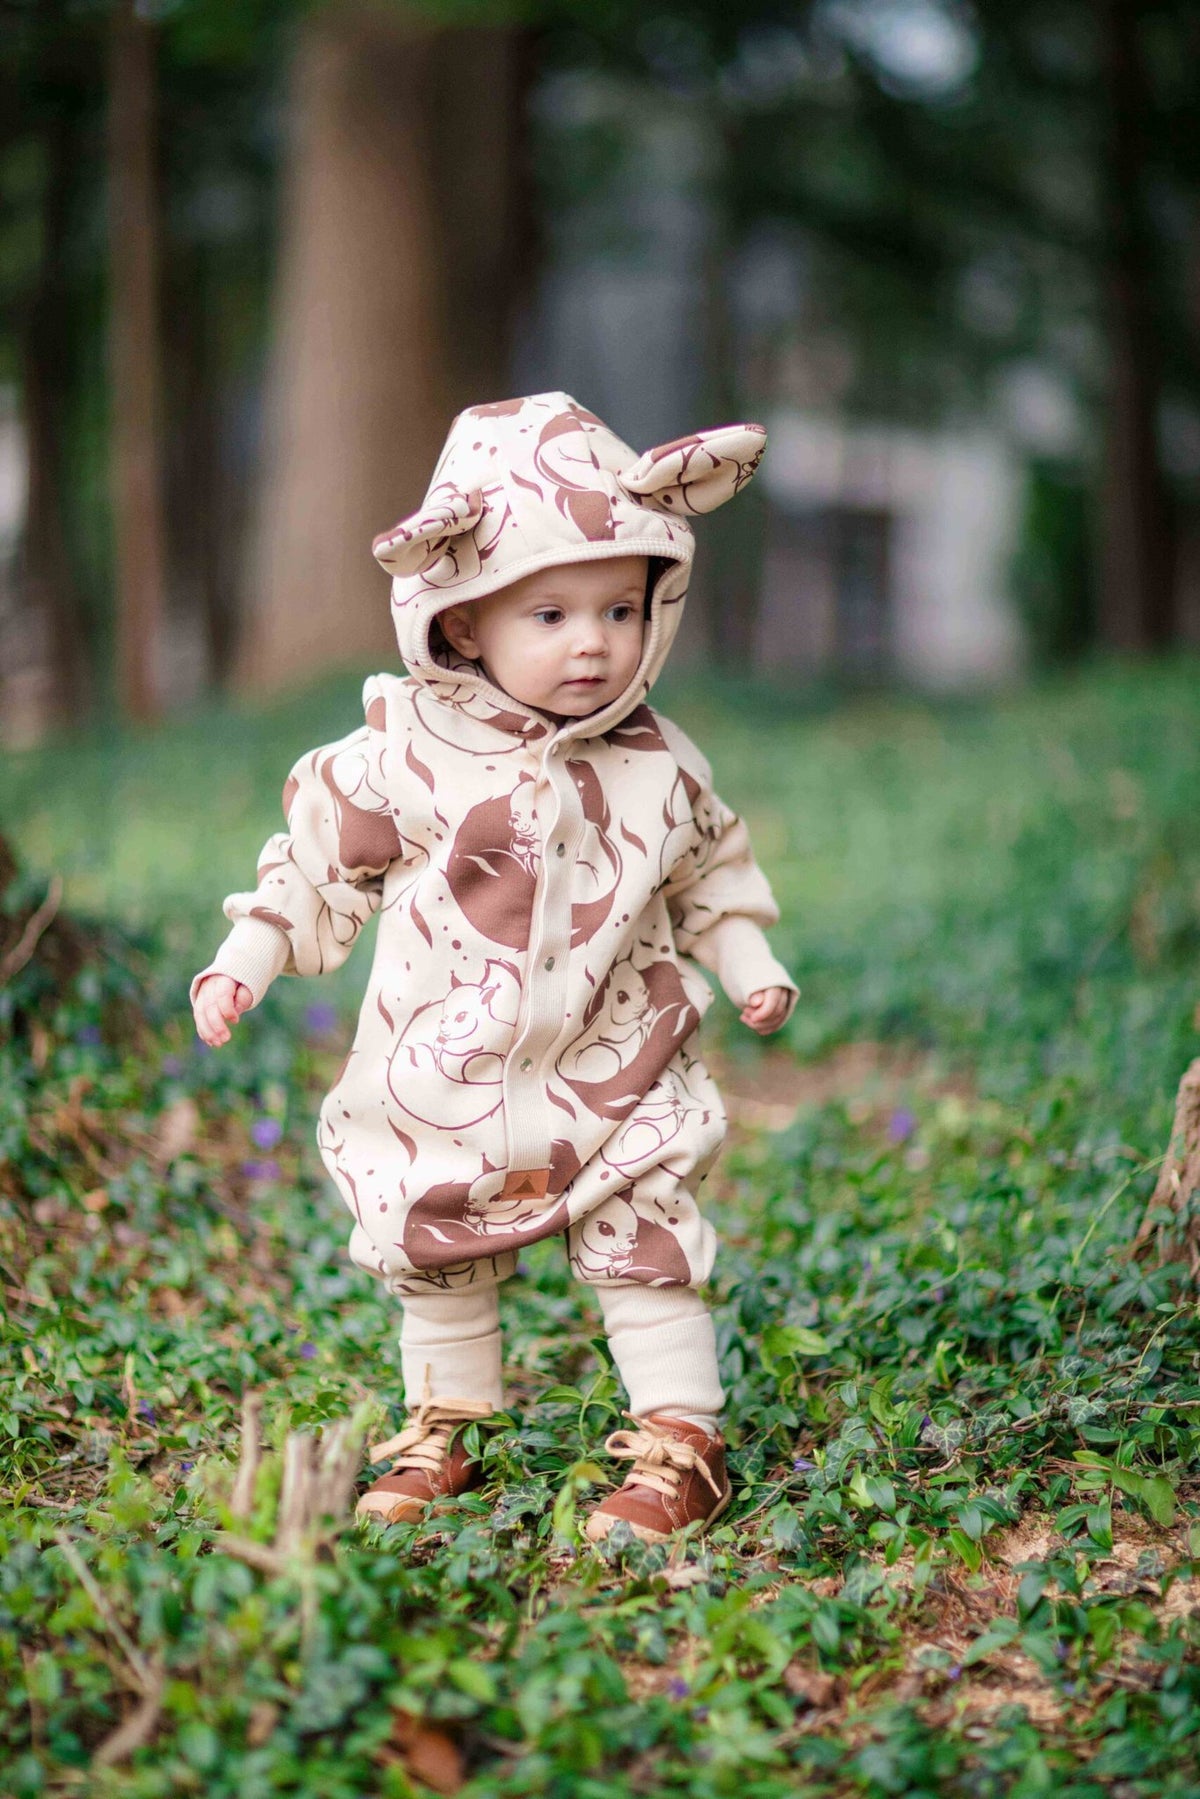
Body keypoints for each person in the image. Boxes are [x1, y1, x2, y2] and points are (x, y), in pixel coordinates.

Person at [191, 392, 796, 1543]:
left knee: (645, 1238)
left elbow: (710, 870)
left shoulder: (659, 764)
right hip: (445, 1075)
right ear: (462, 622)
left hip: (618, 1065)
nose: (594, 642)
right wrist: (245, 957)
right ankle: (446, 1423)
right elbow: (312, 866)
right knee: (436, 1252)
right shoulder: (402, 755)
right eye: (552, 613)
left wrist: (748, 956)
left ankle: (684, 1436)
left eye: (622, 608)